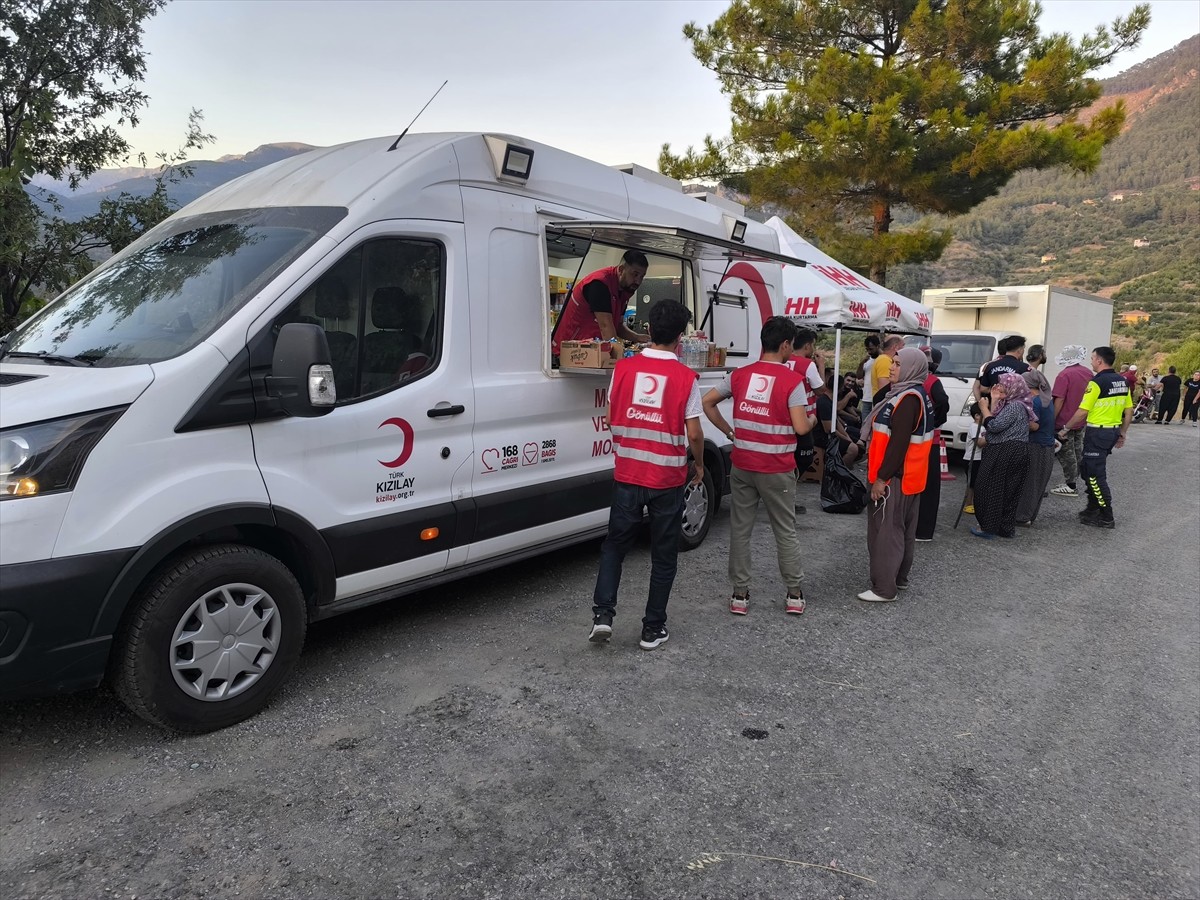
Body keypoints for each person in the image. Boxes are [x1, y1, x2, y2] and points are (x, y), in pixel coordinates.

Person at [588, 300, 703, 650]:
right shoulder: (686, 377)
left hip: (628, 472)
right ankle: (652, 629)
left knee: (614, 547)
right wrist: (697, 464)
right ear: (681, 337)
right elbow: (695, 433)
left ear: (649, 330)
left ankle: (603, 616)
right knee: (663, 556)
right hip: (666, 479)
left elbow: (611, 417)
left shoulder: (622, 369)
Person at [703, 317, 812, 616]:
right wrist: (813, 419)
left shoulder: (740, 375)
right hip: (777, 469)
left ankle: (740, 596)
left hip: (743, 465)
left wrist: (728, 432)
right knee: (785, 531)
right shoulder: (792, 381)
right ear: (786, 344)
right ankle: (793, 595)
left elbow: (707, 402)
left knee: (740, 530)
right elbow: (802, 428)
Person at [858, 347, 935, 602]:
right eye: (893, 362)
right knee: (902, 531)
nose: (891, 367)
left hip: (895, 478)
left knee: (886, 533)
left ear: (912, 368)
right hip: (911, 478)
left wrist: (881, 478)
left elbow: (898, 444)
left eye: (898, 364)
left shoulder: (907, 399)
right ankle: (898, 579)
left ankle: (884, 588)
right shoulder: (915, 394)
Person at [1059, 346, 1133, 529]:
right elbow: (1129, 411)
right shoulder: (1122, 381)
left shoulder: (1097, 382)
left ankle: (1106, 515)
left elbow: (1083, 411)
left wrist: (1065, 429)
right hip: (1111, 432)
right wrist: (1123, 432)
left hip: (1098, 433)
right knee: (1087, 470)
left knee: (1094, 476)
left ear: (1099, 361)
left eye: (1092, 358)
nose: (1091, 362)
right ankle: (1092, 509)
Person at [551, 250, 651, 357]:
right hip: (568, 351)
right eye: (635, 274)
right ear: (621, 270)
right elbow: (605, 326)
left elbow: (617, 326)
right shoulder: (599, 284)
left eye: (641, 276)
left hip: (589, 351)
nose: (638, 281)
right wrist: (620, 356)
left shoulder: (624, 291)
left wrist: (638, 338)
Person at [971, 372, 1033, 540]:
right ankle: (1004, 528)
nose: (998, 387)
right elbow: (993, 421)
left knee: (991, 489)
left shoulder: (1015, 406)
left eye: (1003, 385)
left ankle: (989, 528)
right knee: (1009, 491)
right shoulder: (1013, 404)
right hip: (1014, 450)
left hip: (1006, 451)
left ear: (1013, 388)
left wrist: (983, 407)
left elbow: (995, 426)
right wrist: (995, 401)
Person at [784, 326, 823, 511]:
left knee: (788, 457)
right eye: (813, 345)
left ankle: (785, 497)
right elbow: (820, 390)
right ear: (807, 345)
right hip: (804, 417)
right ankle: (787, 499)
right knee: (803, 457)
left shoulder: (783, 360)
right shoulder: (808, 365)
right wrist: (821, 366)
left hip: (784, 416)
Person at [915, 347, 950, 542]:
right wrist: (936, 420)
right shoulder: (931, 381)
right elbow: (944, 403)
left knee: (920, 485)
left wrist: (934, 420)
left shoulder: (918, 380)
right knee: (929, 487)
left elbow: (943, 403)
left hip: (919, 439)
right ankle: (923, 530)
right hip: (930, 439)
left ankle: (919, 529)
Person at [1050, 344, 1093, 498]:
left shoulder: (1064, 375)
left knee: (1066, 453)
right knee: (1077, 450)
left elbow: (1059, 400)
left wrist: (1051, 419)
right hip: (1081, 419)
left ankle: (1071, 485)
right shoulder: (1088, 373)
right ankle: (1078, 480)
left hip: (1064, 421)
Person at [1015, 370, 1056, 526]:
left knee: (1029, 483)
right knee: (1038, 483)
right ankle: (1030, 516)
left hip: (1036, 445)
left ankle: (1022, 516)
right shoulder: (1046, 399)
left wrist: (1018, 421)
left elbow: (1034, 426)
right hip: (1047, 446)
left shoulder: (1034, 402)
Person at [814, 368, 865, 466]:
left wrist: (847, 436)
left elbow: (836, 421)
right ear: (840, 387)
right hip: (821, 437)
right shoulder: (824, 402)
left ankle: (842, 467)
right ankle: (837, 471)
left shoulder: (830, 400)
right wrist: (846, 439)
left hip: (831, 433)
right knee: (853, 449)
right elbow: (829, 429)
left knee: (859, 446)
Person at [974, 335, 1029, 400]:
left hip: (994, 406)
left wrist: (997, 392)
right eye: (1023, 349)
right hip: (1015, 406)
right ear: (1020, 350)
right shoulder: (1024, 367)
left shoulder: (990, 366)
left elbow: (983, 389)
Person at [871, 336, 904, 403]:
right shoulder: (885, 361)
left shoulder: (885, 359)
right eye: (903, 346)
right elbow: (884, 390)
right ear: (896, 347)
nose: (904, 349)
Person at [859, 335, 881, 417]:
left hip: (877, 398)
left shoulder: (883, 359)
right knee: (864, 425)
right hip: (866, 397)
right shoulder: (867, 360)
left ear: (878, 346)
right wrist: (862, 363)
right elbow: (859, 376)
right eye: (867, 349)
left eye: (871, 349)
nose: (869, 352)